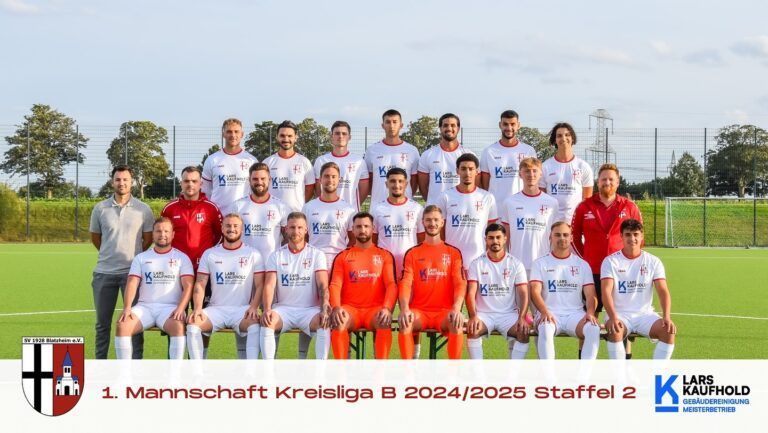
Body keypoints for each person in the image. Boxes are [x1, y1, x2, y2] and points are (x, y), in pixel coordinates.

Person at [89, 165, 154, 359]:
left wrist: (135, 260)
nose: (122, 183)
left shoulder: (143, 209)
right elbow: (96, 238)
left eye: (125, 179)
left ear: (131, 182)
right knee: (102, 324)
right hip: (104, 273)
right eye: (118, 179)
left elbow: (147, 239)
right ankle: (101, 363)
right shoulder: (100, 208)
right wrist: (110, 253)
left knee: (133, 322)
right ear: (112, 182)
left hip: (132, 275)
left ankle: (136, 363)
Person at [186, 214, 265, 359]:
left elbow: (260, 285)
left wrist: (254, 307)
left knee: (254, 326)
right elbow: (200, 284)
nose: (231, 229)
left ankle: (251, 370)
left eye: (235, 226)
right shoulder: (210, 253)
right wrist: (197, 308)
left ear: (242, 229)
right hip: (216, 309)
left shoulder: (253, 254)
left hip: (242, 310)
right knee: (192, 325)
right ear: (222, 229)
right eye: (228, 226)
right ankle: (196, 370)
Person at [115, 217, 194, 359]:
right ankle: (124, 371)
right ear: (153, 234)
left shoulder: (182, 258)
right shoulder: (141, 258)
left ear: (173, 234)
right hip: (145, 308)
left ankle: (175, 372)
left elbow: (188, 286)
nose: (162, 234)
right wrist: (127, 308)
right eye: (158, 231)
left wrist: (181, 308)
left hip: (169, 308)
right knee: (122, 325)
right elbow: (132, 283)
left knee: (178, 326)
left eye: (166, 231)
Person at [571, 163, 642, 315]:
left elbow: (639, 238)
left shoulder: (630, 207)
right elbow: (574, 237)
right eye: (603, 179)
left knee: (622, 317)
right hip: (592, 270)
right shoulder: (584, 206)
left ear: (617, 182)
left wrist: (629, 262)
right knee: (590, 316)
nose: (607, 182)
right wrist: (585, 259)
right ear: (598, 182)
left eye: (611, 179)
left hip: (621, 271)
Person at [397, 205, 466, 359]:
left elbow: (460, 284)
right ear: (422, 222)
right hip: (420, 312)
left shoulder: (453, 253)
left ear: (442, 222)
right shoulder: (413, 253)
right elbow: (405, 284)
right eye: (428, 220)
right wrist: (405, 308)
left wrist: (456, 308)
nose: (432, 223)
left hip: (444, 312)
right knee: (405, 322)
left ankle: (454, 371)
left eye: (436, 220)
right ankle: (407, 369)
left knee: (456, 322)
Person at [601, 219, 676, 360]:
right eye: (628, 234)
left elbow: (663, 291)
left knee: (668, 331)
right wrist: (613, 317)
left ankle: (657, 372)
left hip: (645, 315)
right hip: (619, 315)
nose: (632, 238)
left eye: (636, 234)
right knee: (615, 330)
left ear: (642, 236)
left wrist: (666, 316)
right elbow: (606, 292)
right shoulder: (610, 261)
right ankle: (619, 373)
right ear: (621, 236)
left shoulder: (653, 261)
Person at [261, 212, 331, 360]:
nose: (296, 231)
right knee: (268, 322)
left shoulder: (317, 254)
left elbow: (323, 285)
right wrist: (267, 309)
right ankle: (267, 369)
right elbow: (269, 285)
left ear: (306, 229)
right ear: (286, 229)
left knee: (324, 323)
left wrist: (324, 307)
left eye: (300, 228)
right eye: (292, 227)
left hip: (309, 310)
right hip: (283, 310)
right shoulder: (276, 255)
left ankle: (322, 370)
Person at [329, 212, 397, 359]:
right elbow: (335, 285)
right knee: (339, 321)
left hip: (375, 310)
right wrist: (336, 307)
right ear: (353, 230)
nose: (362, 230)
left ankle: (381, 368)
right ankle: (341, 368)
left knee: (384, 321)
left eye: (366, 226)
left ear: (373, 229)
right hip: (350, 310)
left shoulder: (384, 255)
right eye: (358, 227)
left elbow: (391, 285)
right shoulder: (343, 256)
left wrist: (387, 308)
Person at [529, 222, 601, 359]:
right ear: (550, 237)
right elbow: (534, 291)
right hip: (549, 312)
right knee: (545, 329)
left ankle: (585, 372)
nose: (562, 238)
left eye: (565, 235)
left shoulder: (582, 264)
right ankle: (548, 373)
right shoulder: (540, 263)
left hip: (575, 314)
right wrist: (544, 311)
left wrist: (590, 312)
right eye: (557, 235)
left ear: (571, 238)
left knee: (593, 328)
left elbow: (591, 294)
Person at [465, 224, 530, 359]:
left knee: (523, 332)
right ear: (486, 240)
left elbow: (524, 293)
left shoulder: (516, 264)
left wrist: (522, 317)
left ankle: (514, 372)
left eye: (498, 237)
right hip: (484, 315)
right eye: (491, 238)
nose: (495, 241)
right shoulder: (476, 263)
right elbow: (470, 293)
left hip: (508, 315)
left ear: (505, 239)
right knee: (473, 330)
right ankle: (477, 371)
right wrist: (473, 316)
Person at [434, 153, 498, 269]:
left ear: (477, 171)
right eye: (463, 169)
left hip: (479, 262)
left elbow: (492, 230)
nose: (467, 173)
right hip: (451, 261)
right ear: (457, 171)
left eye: (471, 169)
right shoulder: (445, 197)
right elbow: (440, 230)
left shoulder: (487, 197)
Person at [500, 157, 558, 274]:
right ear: (520, 174)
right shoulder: (509, 202)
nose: (531, 175)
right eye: (527, 171)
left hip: (543, 265)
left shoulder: (552, 203)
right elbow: (506, 236)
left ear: (540, 174)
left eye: (534, 171)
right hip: (517, 265)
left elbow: (554, 236)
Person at [228, 163, 290, 262]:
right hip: (244, 264)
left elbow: (288, 238)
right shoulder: (237, 206)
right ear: (249, 180)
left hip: (272, 264)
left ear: (269, 179)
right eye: (255, 179)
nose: (259, 182)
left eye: (263, 179)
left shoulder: (282, 206)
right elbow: (230, 237)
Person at [371, 167, 425, 280]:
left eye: (400, 181)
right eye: (392, 181)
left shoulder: (417, 208)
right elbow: (373, 241)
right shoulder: (377, 209)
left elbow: (421, 240)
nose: (396, 185)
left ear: (406, 184)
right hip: (384, 266)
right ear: (386, 184)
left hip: (410, 266)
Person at [479, 110, 537, 206]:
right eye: (505, 124)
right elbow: (485, 186)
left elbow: (534, 180)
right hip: (497, 207)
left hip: (522, 206)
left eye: (512, 124)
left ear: (518, 125)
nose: (509, 128)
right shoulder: (489, 151)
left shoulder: (528, 151)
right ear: (500, 125)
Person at [302, 162, 355, 266]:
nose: (330, 180)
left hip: (339, 264)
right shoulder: (308, 207)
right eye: (326, 176)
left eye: (333, 177)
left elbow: (353, 240)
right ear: (320, 180)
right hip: (313, 263)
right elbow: (304, 238)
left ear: (339, 180)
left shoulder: (349, 210)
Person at [364, 109, 421, 206]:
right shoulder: (371, 150)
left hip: (404, 207)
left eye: (395, 122)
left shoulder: (412, 150)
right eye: (388, 122)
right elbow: (369, 181)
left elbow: (414, 183)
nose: (391, 126)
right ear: (383, 125)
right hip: (378, 207)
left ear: (401, 125)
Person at [540, 122, 594, 222]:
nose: (563, 138)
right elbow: (541, 199)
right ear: (555, 140)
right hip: (552, 223)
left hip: (575, 223)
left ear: (572, 138)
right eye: (559, 136)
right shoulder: (545, 166)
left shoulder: (583, 166)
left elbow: (587, 201)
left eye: (567, 135)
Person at [417, 113, 475, 204]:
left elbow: (476, 184)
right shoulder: (427, 155)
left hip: (461, 208)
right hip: (436, 209)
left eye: (453, 125)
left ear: (458, 128)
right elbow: (422, 187)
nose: (449, 128)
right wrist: (433, 203)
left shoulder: (469, 154)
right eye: (445, 125)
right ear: (440, 128)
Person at [313, 121, 370, 210]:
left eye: (344, 133)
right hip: (326, 210)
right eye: (337, 133)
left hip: (350, 212)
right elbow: (317, 190)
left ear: (349, 137)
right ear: (331, 136)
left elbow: (364, 189)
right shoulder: (321, 161)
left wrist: (352, 206)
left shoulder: (359, 162)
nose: (340, 136)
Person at [201, 118, 258, 207]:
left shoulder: (251, 161)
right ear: (223, 134)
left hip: (243, 213)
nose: (233, 135)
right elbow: (205, 191)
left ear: (242, 134)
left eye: (236, 131)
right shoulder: (212, 160)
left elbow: (256, 190)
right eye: (229, 132)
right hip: (219, 213)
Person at [262, 120, 315, 212]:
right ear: (277, 137)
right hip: (273, 213)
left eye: (290, 136)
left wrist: (298, 204)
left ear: (296, 137)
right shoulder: (267, 162)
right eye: (282, 136)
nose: (286, 139)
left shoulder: (304, 162)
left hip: (296, 214)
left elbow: (310, 188)